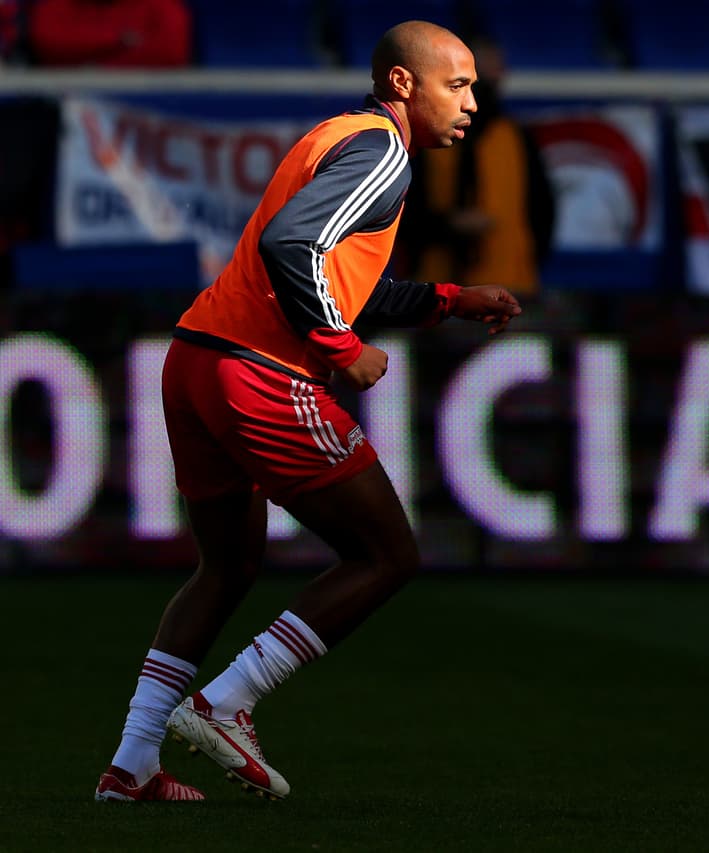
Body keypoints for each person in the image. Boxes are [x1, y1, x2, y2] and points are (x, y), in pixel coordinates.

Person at [93, 20, 521, 802]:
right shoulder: (384, 151)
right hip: (257, 371)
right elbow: (293, 246)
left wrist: (451, 300)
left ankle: (132, 765)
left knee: (224, 566)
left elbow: (338, 271)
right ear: (402, 84)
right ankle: (225, 702)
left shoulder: (341, 136)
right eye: (457, 84)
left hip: (195, 358)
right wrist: (337, 346)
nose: (472, 100)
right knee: (387, 554)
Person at [399, 36, 555, 296]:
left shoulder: (516, 138)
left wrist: (529, 261)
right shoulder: (426, 141)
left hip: (508, 285)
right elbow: (404, 215)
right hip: (435, 289)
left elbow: (542, 209)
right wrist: (448, 224)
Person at [28, 0, 191, 68]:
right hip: (59, 104)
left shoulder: (159, 5)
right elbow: (47, 41)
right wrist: (117, 40)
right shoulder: (59, 5)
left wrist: (103, 70)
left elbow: (171, 53)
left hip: (147, 106)